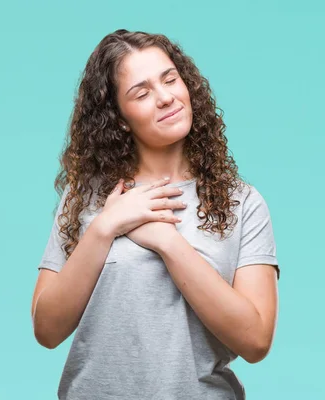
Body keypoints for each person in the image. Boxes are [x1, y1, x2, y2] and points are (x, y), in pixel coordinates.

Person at [30, 30, 280, 400]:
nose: (166, 98)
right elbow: (47, 329)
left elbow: (256, 341)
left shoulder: (241, 202)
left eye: (170, 79)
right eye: (142, 93)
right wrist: (105, 228)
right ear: (118, 119)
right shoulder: (87, 197)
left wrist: (166, 241)